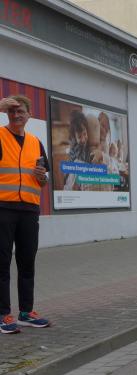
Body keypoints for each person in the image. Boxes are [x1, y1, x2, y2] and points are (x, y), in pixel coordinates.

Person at [0, 95, 51, 334]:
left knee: (27, 261)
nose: (16, 115)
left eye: (21, 111)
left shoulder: (35, 142)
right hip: (3, 208)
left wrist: (42, 178)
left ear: (29, 114)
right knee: (2, 263)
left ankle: (26, 313)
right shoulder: (0, 136)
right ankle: (3, 315)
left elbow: (43, 180)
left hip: (29, 210)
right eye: (12, 111)